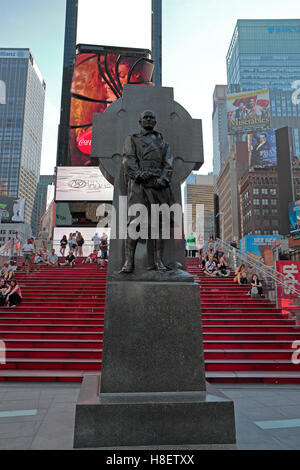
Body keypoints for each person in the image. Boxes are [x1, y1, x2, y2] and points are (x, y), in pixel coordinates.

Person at [120, 110, 174, 273]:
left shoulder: (163, 143)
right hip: (139, 186)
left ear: (155, 121)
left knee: (160, 225)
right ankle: (129, 262)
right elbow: (128, 160)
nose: (149, 120)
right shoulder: (132, 139)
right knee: (135, 223)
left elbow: (168, 164)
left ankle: (158, 261)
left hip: (159, 187)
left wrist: (162, 180)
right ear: (140, 121)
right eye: (146, 117)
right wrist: (140, 176)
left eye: (152, 117)